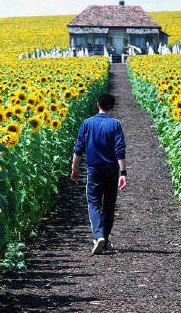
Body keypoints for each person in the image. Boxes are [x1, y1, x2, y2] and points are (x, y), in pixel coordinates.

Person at [71, 93, 127, 255]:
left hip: (94, 168)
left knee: (94, 202)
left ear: (97, 105)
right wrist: (123, 172)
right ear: (112, 107)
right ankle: (106, 239)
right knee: (109, 204)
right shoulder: (115, 124)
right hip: (111, 169)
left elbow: (78, 148)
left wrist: (75, 168)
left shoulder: (87, 123)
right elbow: (120, 150)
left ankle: (98, 236)